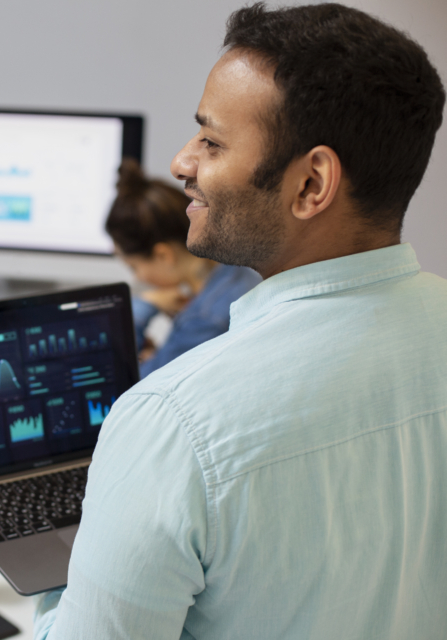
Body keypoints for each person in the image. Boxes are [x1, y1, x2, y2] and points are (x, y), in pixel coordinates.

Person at [34, 3, 446, 638]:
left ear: (312, 185)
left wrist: (59, 576)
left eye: (212, 141)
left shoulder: (172, 421)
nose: (181, 162)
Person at [106, 158, 260, 377]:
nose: (138, 277)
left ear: (163, 255)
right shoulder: (238, 272)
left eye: (134, 267)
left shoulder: (205, 319)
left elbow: (133, 385)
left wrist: (146, 304)